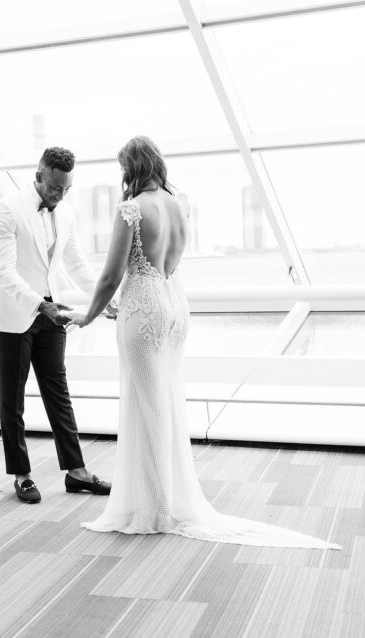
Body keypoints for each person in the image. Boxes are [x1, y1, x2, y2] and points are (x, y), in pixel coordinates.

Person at [68, 136, 340, 548]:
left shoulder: (131, 208)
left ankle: (155, 509)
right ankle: (167, 499)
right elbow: (163, 263)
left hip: (143, 309)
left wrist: (88, 316)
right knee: (168, 402)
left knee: (147, 407)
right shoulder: (180, 204)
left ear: (130, 168)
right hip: (175, 305)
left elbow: (110, 276)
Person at [0, 146, 112, 504]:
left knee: (58, 391)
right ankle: (21, 475)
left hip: (52, 312)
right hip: (14, 315)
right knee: (13, 397)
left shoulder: (66, 212)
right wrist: (41, 306)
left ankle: (76, 471)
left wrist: (105, 300)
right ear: (39, 176)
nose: (59, 195)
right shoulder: (7, 209)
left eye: (66, 189)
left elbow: (77, 265)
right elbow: (2, 272)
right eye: (55, 187)